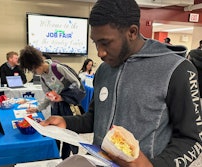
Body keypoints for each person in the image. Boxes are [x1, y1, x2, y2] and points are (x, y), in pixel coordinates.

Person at [40, 0, 202, 167]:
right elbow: (95, 118)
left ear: (132, 32)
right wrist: (67, 122)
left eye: (106, 43)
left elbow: (192, 140)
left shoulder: (178, 70)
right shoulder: (103, 70)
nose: (100, 52)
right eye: (96, 42)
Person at [18, 45, 85, 159]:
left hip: (69, 108)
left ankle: (66, 160)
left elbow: (77, 84)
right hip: (57, 109)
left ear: (37, 64)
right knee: (56, 136)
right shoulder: (43, 77)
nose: (35, 73)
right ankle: (56, 159)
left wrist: (62, 97)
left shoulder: (57, 68)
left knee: (67, 137)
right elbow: (48, 96)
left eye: (34, 70)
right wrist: (37, 108)